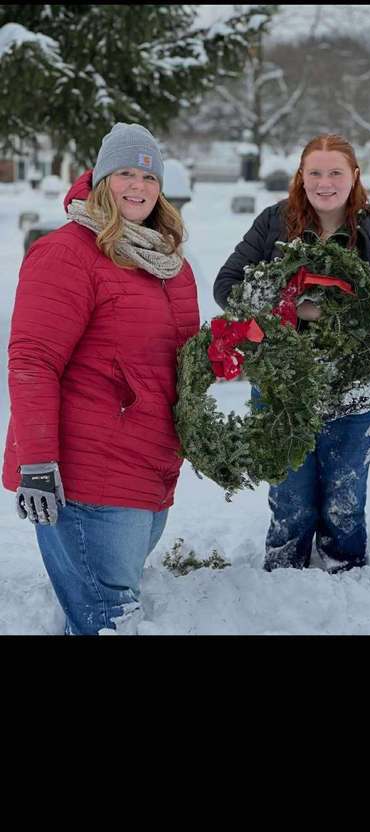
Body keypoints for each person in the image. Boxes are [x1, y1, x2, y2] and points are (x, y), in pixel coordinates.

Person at [2, 123, 200, 634]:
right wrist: (38, 461)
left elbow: (174, 357)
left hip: (150, 469)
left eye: (148, 177)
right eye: (124, 174)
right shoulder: (68, 253)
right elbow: (32, 361)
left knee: (104, 613)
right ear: (101, 180)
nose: (138, 186)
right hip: (87, 475)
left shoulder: (169, 261)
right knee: (109, 621)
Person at [214, 134, 370, 574]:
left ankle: (343, 576)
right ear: (301, 177)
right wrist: (296, 307)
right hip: (283, 389)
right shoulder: (275, 224)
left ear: (354, 177)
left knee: (344, 502)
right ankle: (285, 581)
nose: (325, 183)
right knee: (290, 500)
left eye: (335, 173)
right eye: (315, 173)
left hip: (358, 391)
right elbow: (227, 285)